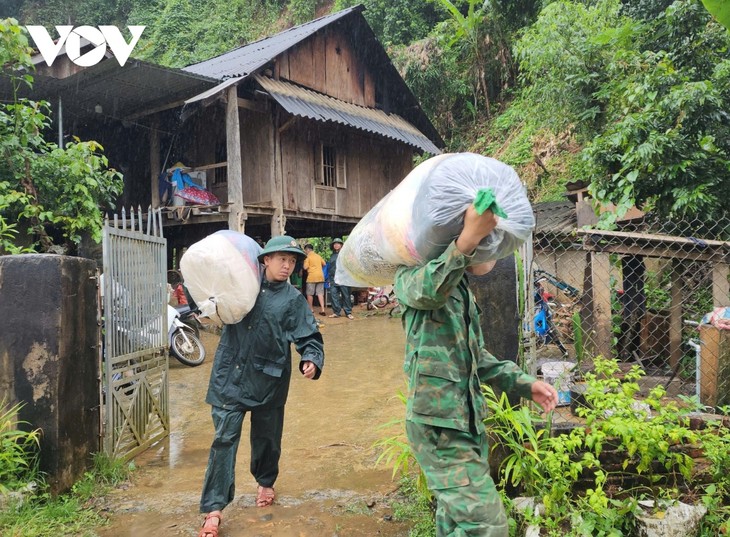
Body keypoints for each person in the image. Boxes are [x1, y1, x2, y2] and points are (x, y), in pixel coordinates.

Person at [393, 205, 559, 537]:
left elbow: (476, 358)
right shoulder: (412, 275)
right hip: (438, 427)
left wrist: (524, 384)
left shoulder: (462, 292)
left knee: (454, 523)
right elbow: (428, 291)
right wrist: (469, 237)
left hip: (465, 424)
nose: (491, 249)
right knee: (488, 525)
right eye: (487, 239)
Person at [197, 235, 325, 537]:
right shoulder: (242, 287)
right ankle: (213, 509)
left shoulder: (293, 299)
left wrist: (311, 358)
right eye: (282, 258)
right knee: (223, 440)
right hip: (230, 377)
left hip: (270, 380)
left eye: (292, 261)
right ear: (265, 260)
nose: (287, 265)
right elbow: (207, 301)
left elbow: (309, 337)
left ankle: (266, 483)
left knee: (267, 439)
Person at [327, 238, 354, 319]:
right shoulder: (332, 256)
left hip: (344, 279)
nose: (336, 245)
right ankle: (336, 312)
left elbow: (350, 265)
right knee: (333, 295)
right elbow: (330, 268)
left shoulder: (345, 254)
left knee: (346, 296)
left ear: (341, 245)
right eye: (335, 244)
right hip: (333, 279)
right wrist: (329, 279)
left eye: (338, 243)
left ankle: (348, 312)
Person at [303, 243, 327, 316]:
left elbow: (305, 267)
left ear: (307, 250)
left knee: (310, 294)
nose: (305, 252)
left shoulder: (307, 257)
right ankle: (322, 309)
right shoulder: (318, 256)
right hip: (320, 277)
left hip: (312, 277)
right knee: (320, 293)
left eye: (305, 250)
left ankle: (311, 309)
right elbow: (324, 264)